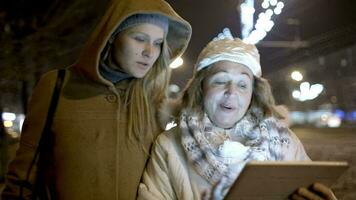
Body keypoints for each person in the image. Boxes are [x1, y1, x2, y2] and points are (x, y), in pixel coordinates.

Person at [1, 0, 191, 199]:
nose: (149, 52)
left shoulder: (155, 103)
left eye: (158, 43)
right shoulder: (59, 86)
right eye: (139, 38)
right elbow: (24, 177)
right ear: (112, 36)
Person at [138, 28, 338, 200]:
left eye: (242, 84)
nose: (231, 91)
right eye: (219, 80)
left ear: (253, 94)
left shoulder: (286, 143)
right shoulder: (168, 146)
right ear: (200, 89)